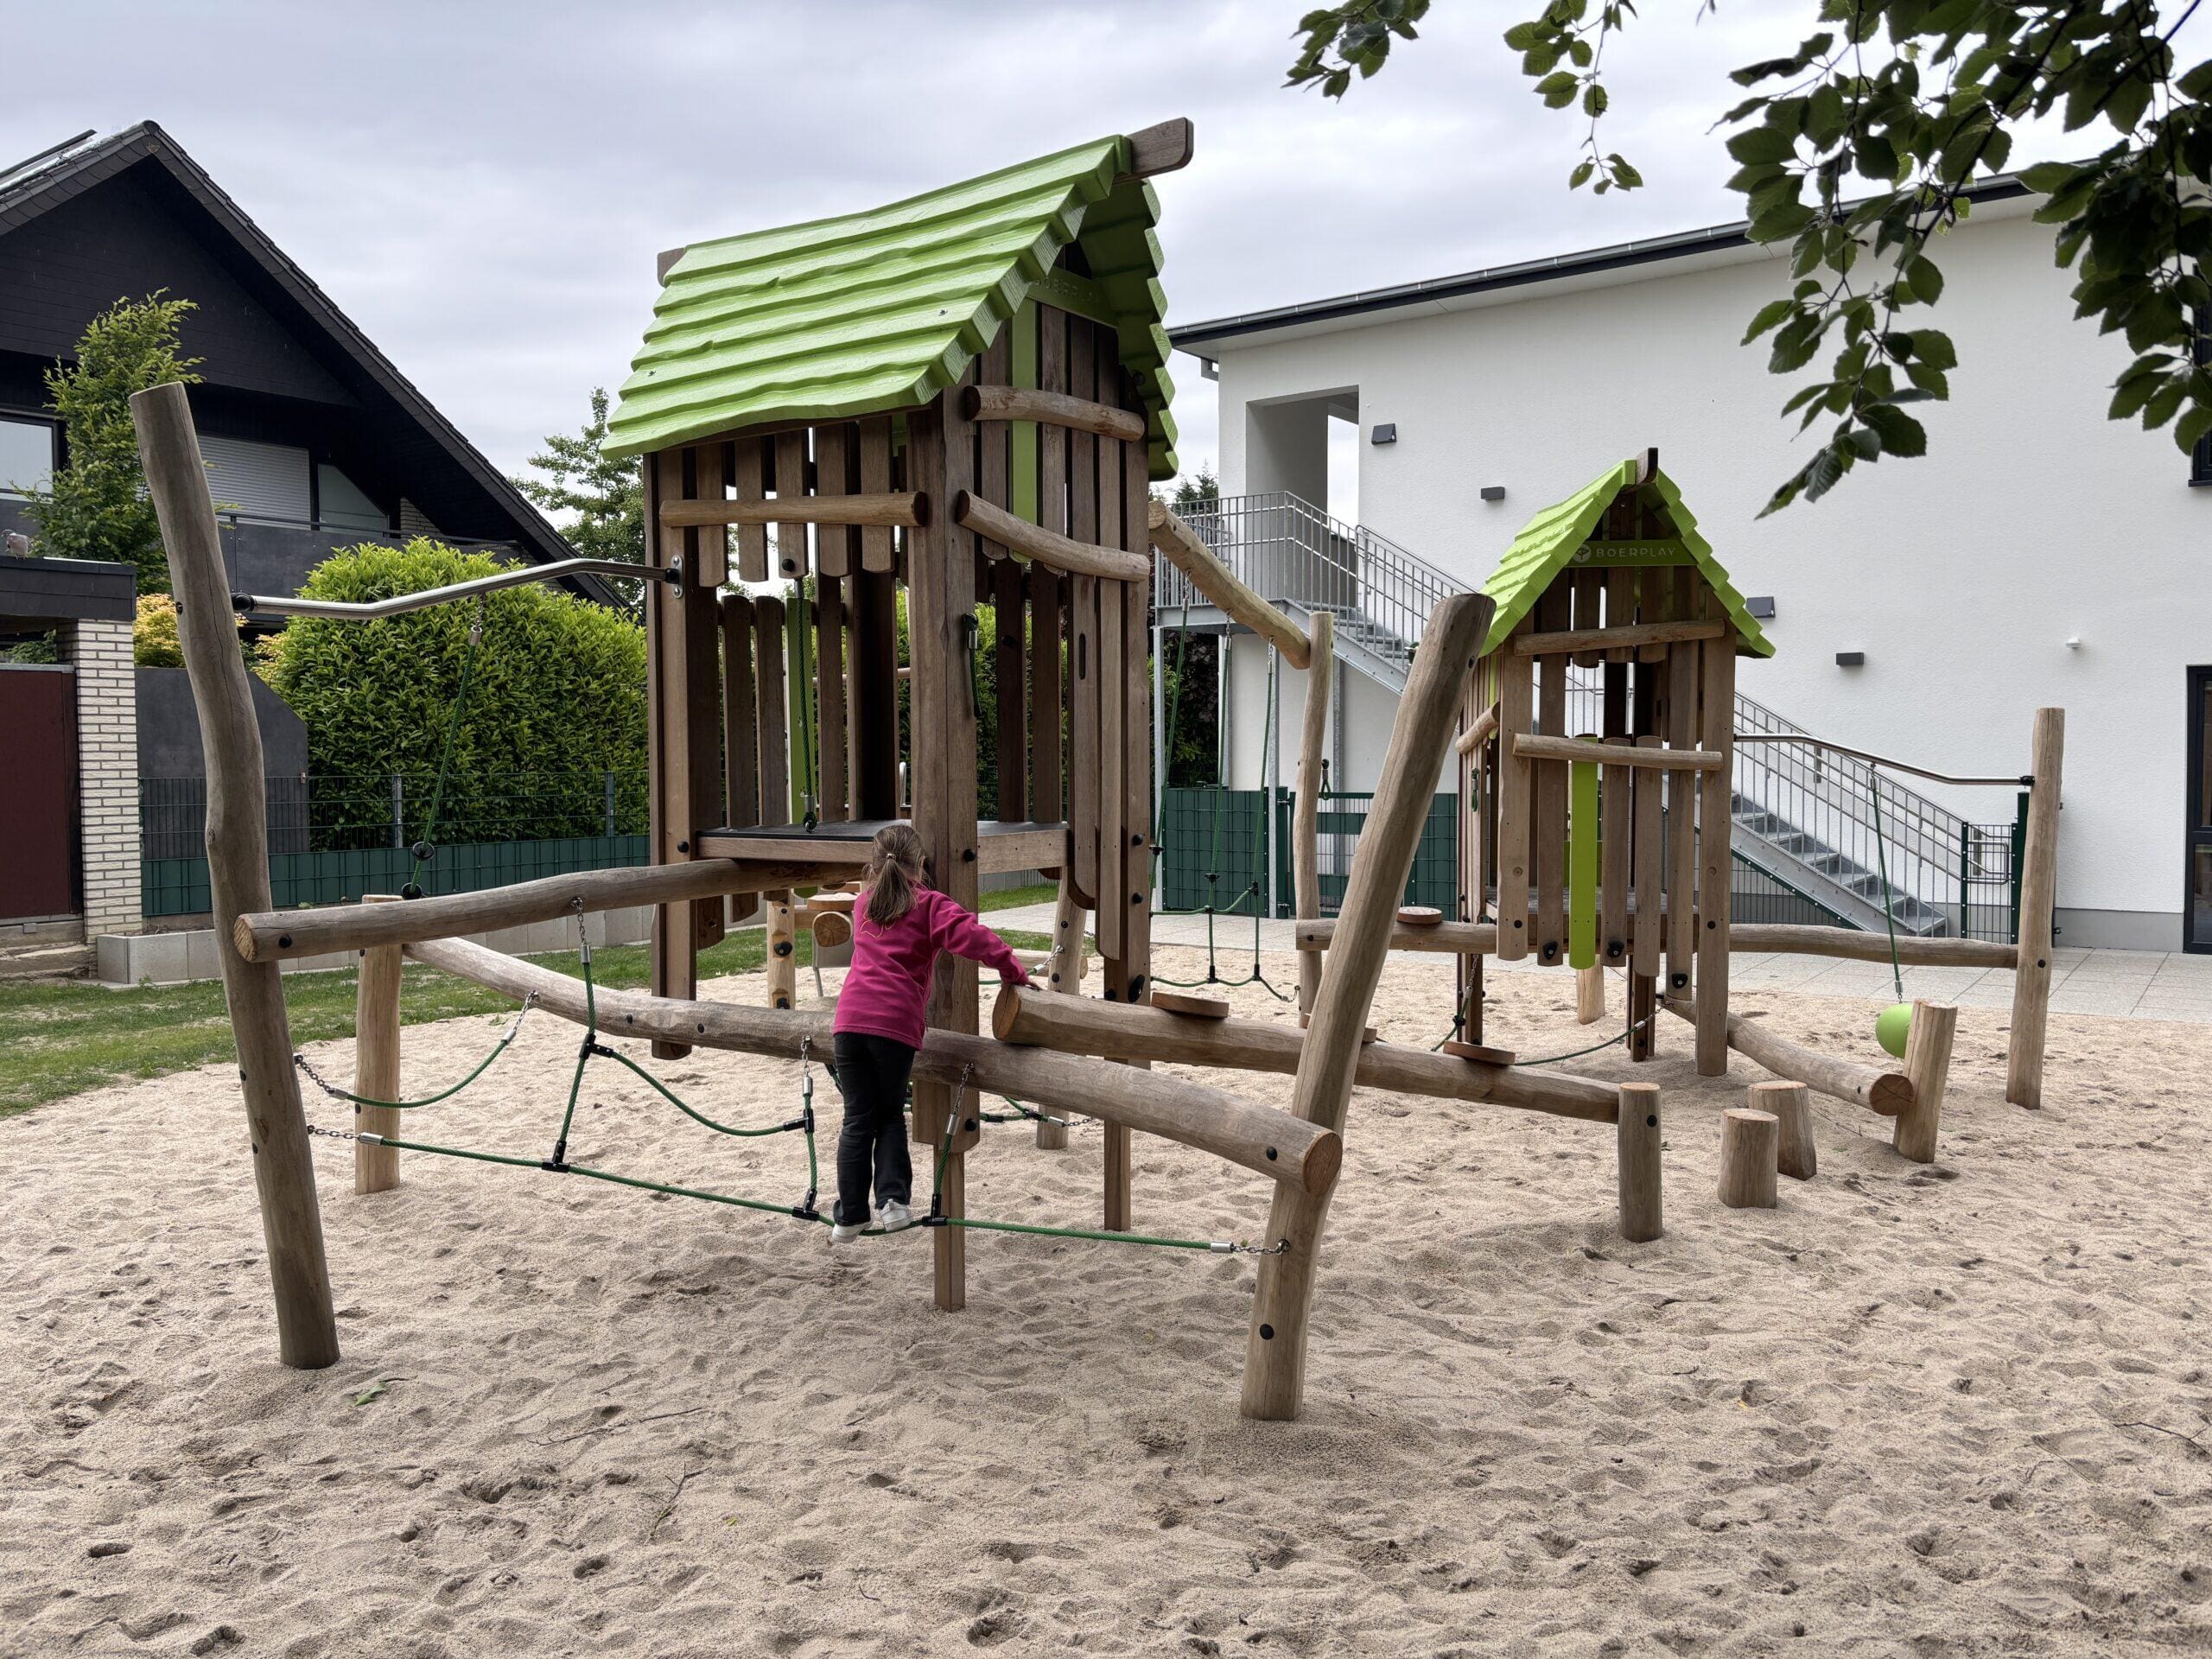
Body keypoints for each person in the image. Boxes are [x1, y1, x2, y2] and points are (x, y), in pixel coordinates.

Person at [828, 823, 1031, 1243]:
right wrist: (1013, 970)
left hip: (847, 1023)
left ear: (873, 865)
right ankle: (893, 1201)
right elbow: (975, 939)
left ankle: (850, 1215)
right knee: (888, 1114)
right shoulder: (929, 904)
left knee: (857, 1119)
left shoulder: (864, 904)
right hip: (893, 1023)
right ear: (920, 865)